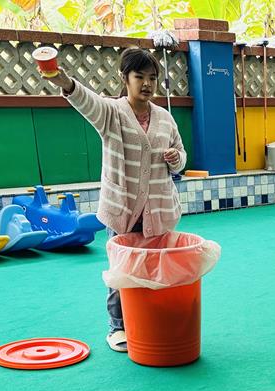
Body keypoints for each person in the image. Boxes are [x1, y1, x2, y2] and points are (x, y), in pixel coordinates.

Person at [46, 48, 187, 352]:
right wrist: (65, 82)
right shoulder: (111, 113)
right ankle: (118, 327)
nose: (147, 84)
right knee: (122, 271)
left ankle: (150, 320)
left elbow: (181, 156)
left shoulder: (165, 119)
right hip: (123, 210)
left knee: (155, 269)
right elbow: (86, 101)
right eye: (139, 76)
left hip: (158, 210)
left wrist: (176, 159)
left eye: (152, 78)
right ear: (125, 78)